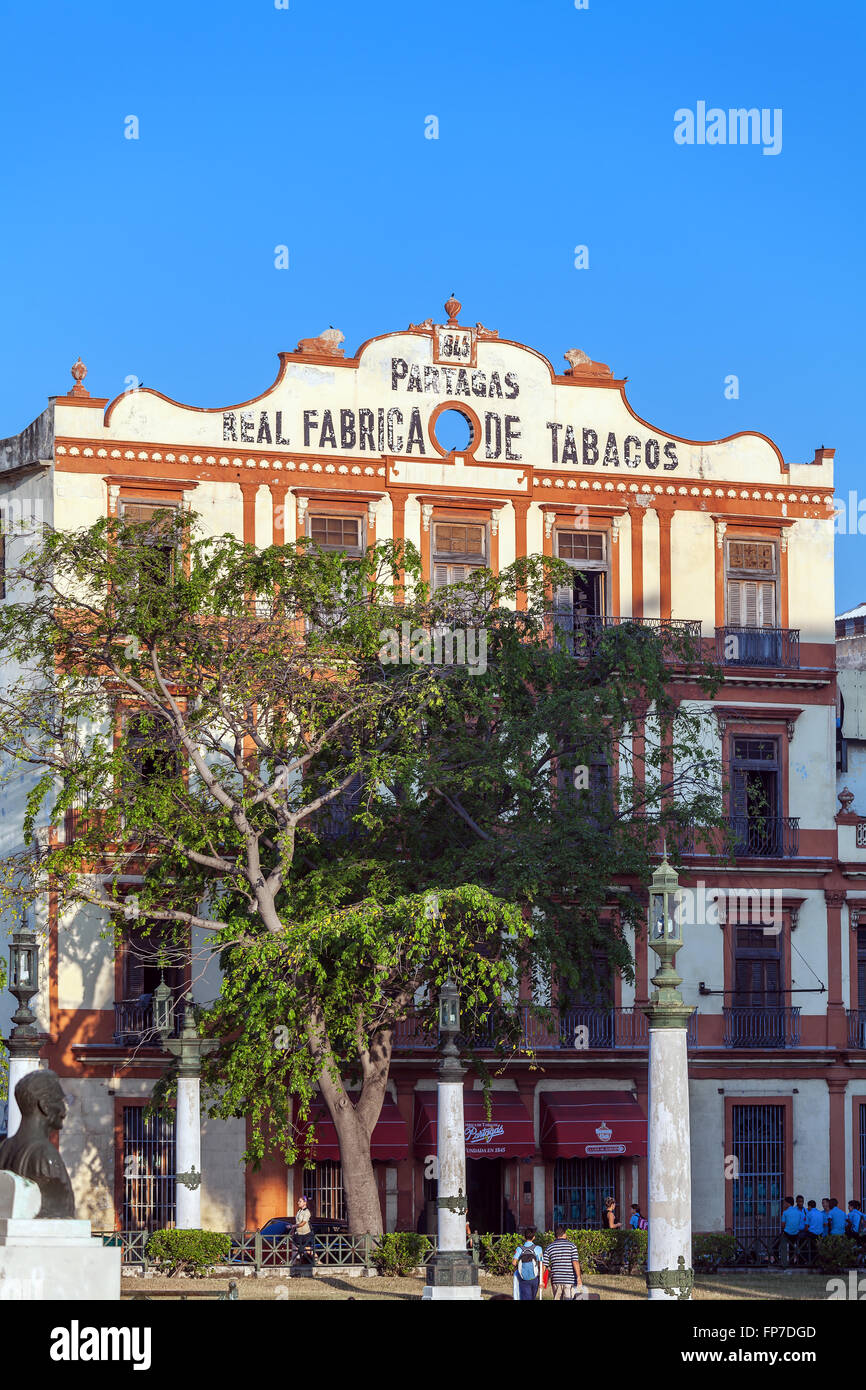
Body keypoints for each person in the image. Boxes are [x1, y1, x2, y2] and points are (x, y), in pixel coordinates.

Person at [543, 1225, 584, 1300]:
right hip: (569, 1280)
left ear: (555, 1235)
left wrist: (541, 1280)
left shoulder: (549, 1247)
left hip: (556, 1280)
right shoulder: (572, 1246)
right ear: (564, 1234)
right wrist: (579, 1278)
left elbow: (544, 1265)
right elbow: (575, 1262)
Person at [512, 1229, 543, 1301]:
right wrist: (541, 1280)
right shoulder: (538, 1248)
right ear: (534, 1237)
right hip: (535, 1277)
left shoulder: (519, 1249)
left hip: (523, 1277)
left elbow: (514, 1262)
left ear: (524, 1237)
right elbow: (541, 1263)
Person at [293, 1195, 315, 1265]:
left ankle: (320, 1264)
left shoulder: (307, 1212)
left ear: (305, 1203)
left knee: (309, 1251)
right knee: (296, 1250)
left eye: (300, 1201)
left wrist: (293, 1226)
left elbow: (302, 1223)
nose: (298, 1203)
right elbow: (298, 1222)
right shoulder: (299, 1211)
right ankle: (295, 1266)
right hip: (299, 1234)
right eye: (298, 1201)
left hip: (306, 1234)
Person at [780, 1196, 802, 1266]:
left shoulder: (785, 1212)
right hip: (796, 1233)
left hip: (787, 1233)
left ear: (787, 1203)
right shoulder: (799, 1212)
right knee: (792, 1247)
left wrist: (784, 1229)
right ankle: (792, 1261)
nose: (784, 1204)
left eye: (785, 1203)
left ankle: (783, 1262)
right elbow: (799, 1223)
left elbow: (783, 1225)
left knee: (781, 1246)